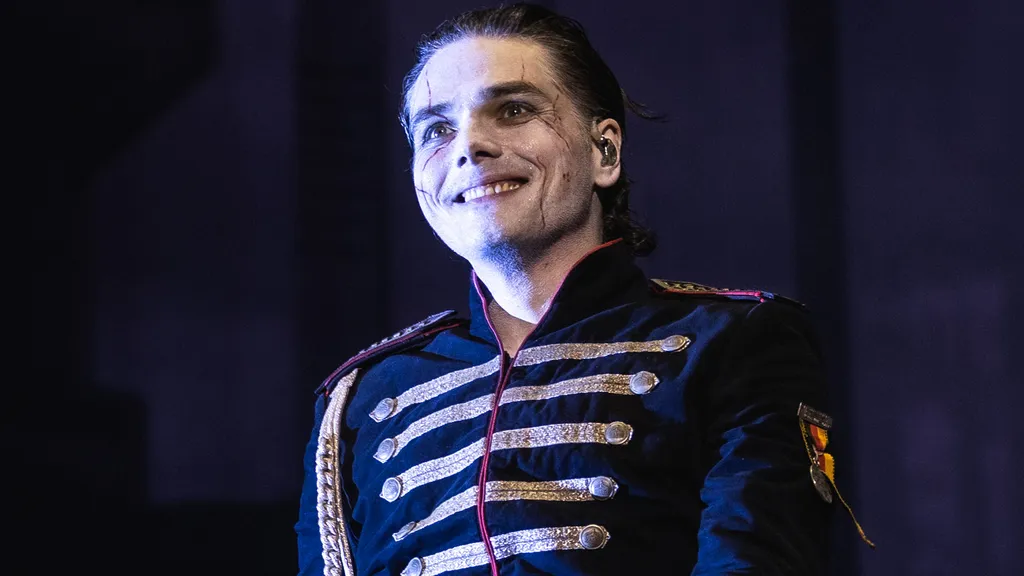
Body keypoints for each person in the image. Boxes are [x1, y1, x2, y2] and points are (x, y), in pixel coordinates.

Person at [296, 4, 870, 575]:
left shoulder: (734, 342)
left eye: (514, 110)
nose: (469, 146)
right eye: (437, 129)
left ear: (605, 152)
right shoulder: (360, 396)